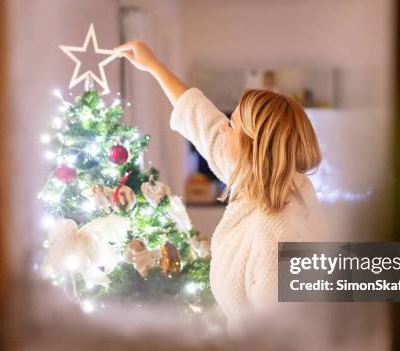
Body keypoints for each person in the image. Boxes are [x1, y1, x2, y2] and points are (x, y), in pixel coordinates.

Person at [115, 40, 323, 328]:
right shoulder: (256, 178)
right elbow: (201, 120)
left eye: (232, 124)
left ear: (254, 147)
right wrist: (153, 65)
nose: (223, 126)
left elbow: (282, 345)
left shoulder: (283, 237)